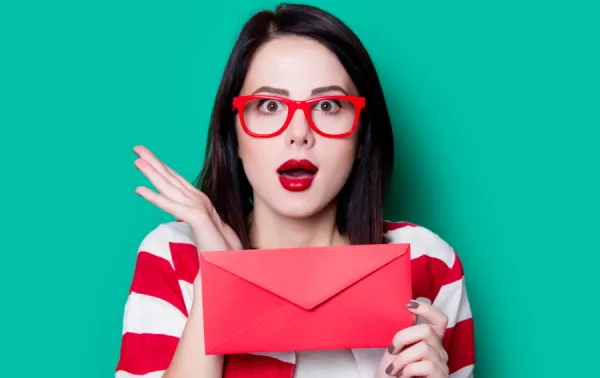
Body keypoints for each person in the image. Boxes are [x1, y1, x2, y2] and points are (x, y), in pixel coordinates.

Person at [115, 3, 475, 378]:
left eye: (328, 105)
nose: (299, 133)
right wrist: (218, 278)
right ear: (233, 132)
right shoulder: (175, 255)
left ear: (361, 134)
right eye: (269, 105)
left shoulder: (428, 262)